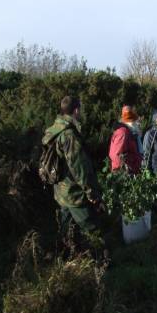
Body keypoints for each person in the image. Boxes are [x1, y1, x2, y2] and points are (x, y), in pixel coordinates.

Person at [42, 96, 105, 248]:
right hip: (74, 193)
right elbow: (79, 169)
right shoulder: (69, 135)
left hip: (60, 190)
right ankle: (102, 262)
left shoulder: (53, 130)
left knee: (66, 228)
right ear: (76, 110)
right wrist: (91, 193)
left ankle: (66, 257)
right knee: (92, 228)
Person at [108, 105, 142, 174]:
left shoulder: (130, 132)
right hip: (124, 173)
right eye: (135, 120)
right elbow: (115, 155)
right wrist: (125, 169)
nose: (137, 123)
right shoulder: (123, 133)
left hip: (131, 171)